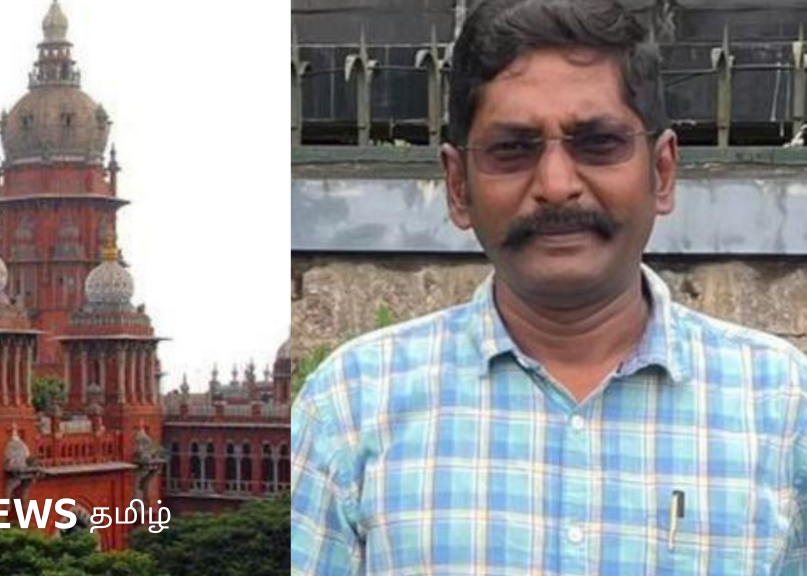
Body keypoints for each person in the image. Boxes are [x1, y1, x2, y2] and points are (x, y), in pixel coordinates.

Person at [290, 0, 807, 574]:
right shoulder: (352, 405)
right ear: (458, 186)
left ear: (661, 172)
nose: (557, 185)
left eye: (599, 143)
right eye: (512, 149)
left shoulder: (783, 407)